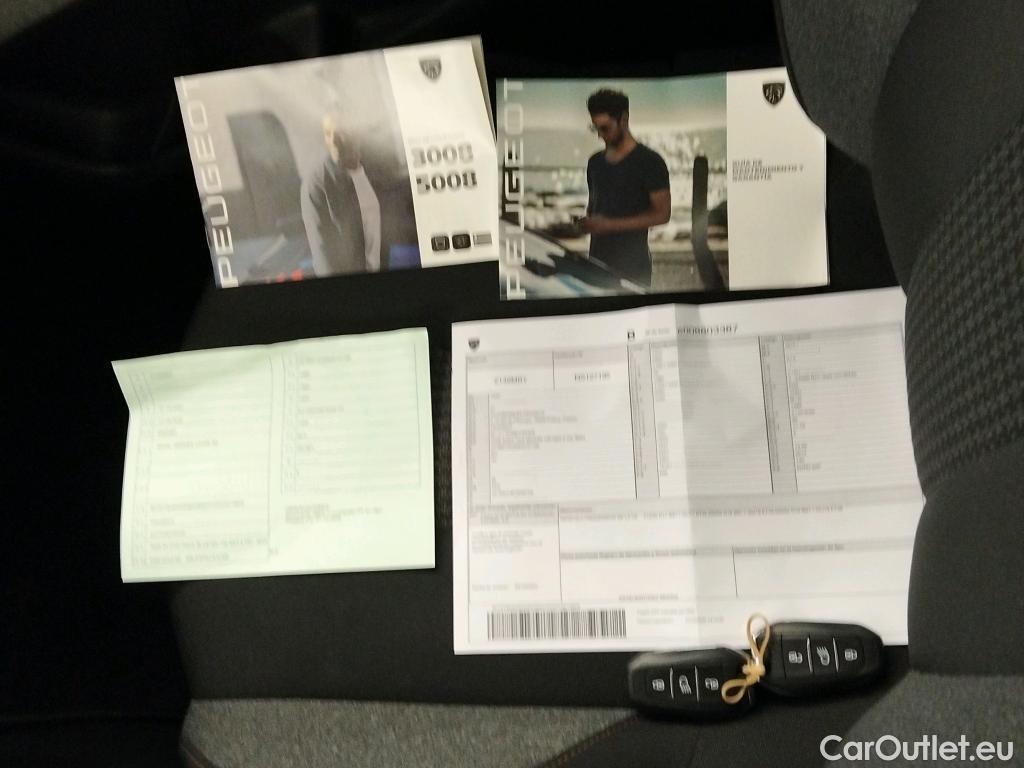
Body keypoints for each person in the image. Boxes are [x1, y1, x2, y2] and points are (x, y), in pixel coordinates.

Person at [579, 89, 671, 288]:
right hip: (596, 266)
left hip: (634, 269)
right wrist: (582, 225)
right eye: (595, 128)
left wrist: (608, 225)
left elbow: (662, 214)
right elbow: (594, 208)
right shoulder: (595, 163)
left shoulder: (650, 162)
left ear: (624, 119)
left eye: (605, 128)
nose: (600, 135)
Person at [300, 113, 382, 276]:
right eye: (328, 134)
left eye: (341, 132)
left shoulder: (376, 168)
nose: (334, 141)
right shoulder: (317, 183)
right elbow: (323, 255)